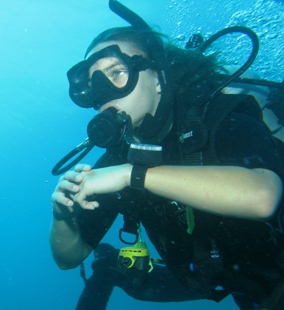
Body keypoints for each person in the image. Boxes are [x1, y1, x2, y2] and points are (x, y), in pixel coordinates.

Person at [50, 1, 284, 309]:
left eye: (116, 72)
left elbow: (263, 197)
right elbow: (70, 257)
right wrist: (62, 217)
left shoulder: (216, 116)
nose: (103, 91)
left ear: (158, 77)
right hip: (221, 276)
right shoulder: (117, 160)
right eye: (94, 83)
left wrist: (131, 175)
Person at [76, 243, 203, 310]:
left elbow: (92, 299)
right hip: (178, 281)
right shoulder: (107, 271)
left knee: (203, 285)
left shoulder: (105, 272)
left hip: (156, 286)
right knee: (204, 285)